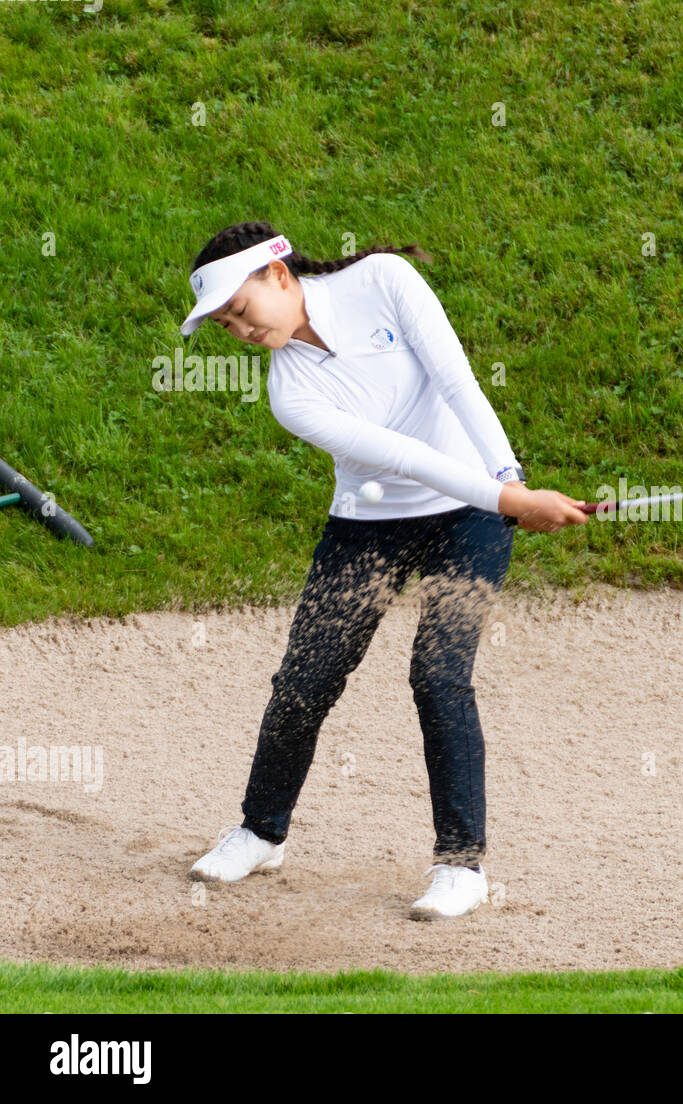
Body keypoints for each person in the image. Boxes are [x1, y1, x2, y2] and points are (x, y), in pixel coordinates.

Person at [180, 222, 587, 918]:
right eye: (224, 325)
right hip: (370, 526)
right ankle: (261, 830)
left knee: (438, 676)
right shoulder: (290, 394)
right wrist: (515, 500)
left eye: (240, 311)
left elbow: (459, 384)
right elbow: (399, 456)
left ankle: (461, 866)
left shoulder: (383, 282)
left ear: (279, 275)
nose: (239, 331)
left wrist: (507, 482)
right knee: (305, 679)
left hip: (473, 510)